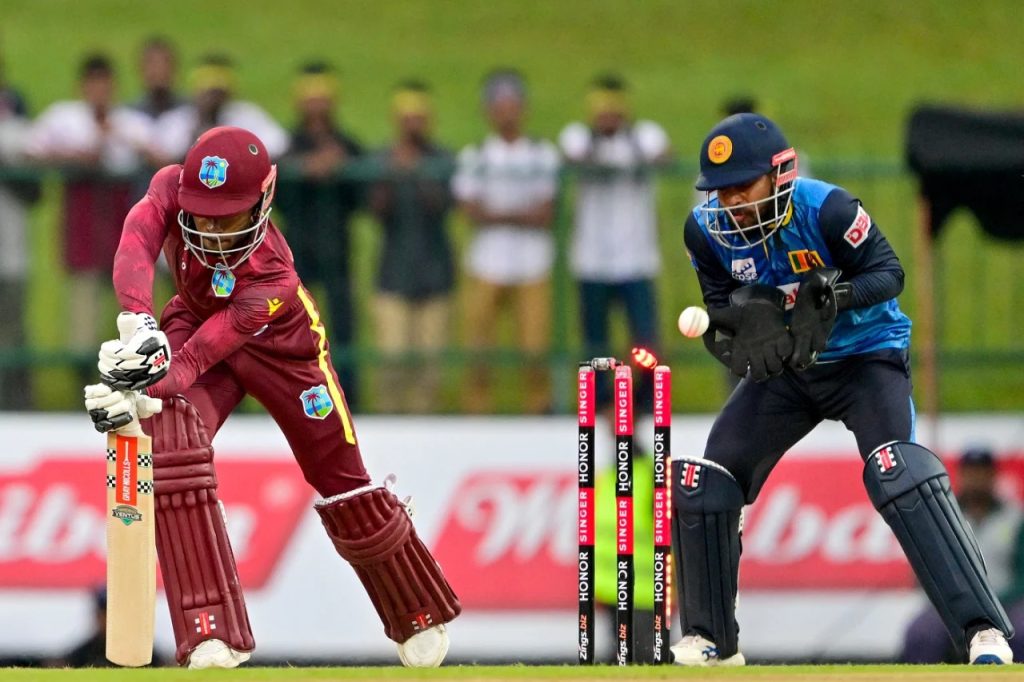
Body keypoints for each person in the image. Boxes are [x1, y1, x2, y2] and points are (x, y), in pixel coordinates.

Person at [82, 126, 460, 669]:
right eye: (201, 211)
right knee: (170, 441)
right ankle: (210, 632)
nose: (210, 229)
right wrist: (137, 323)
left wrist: (141, 381)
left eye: (228, 214)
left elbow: (191, 364)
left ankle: (417, 609)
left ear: (264, 198)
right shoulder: (167, 187)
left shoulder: (273, 280)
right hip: (196, 320)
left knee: (343, 482)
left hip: (282, 350)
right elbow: (136, 241)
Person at [671, 113, 1014, 666]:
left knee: (897, 471)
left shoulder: (829, 209)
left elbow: (890, 274)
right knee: (708, 479)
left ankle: (982, 632)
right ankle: (713, 641)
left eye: (743, 186)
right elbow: (719, 308)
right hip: (790, 369)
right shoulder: (703, 231)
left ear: (780, 175)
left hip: (865, 358)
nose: (731, 202)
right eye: (721, 191)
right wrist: (745, 319)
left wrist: (832, 296)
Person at [24, 53, 154, 371]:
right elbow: (30, 153)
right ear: (83, 86)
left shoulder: (130, 122)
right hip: (83, 221)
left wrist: (119, 139)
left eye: (105, 84)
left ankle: (130, 373)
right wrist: (73, 157)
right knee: (83, 304)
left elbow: (161, 156)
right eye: (94, 84)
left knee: (129, 306)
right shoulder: (64, 118)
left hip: (123, 224)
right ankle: (82, 376)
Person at [558, 73, 671, 412]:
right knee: (596, 341)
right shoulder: (578, 136)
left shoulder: (643, 136)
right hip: (591, 260)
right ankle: (601, 402)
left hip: (636, 259)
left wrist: (632, 154)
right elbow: (572, 158)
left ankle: (648, 399)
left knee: (645, 336)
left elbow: (663, 156)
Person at [451, 69, 560, 414]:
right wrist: (518, 215)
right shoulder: (477, 155)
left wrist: (495, 214)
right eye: (499, 105)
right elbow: (470, 210)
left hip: (532, 265)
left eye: (512, 105)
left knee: (535, 350)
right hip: (487, 264)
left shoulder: (542, 153)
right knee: (477, 350)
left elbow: (545, 213)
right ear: (488, 111)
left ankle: (538, 413)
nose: (507, 112)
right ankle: (477, 415)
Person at [277, 61, 364, 410]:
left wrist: (340, 167)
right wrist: (308, 167)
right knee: (292, 331)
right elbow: (275, 195)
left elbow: (363, 198)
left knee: (342, 329)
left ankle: (349, 402)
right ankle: (290, 400)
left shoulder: (348, 146)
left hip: (337, 249)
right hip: (297, 251)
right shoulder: (288, 148)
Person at [367, 80, 455, 413]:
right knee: (391, 362)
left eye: (419, 117)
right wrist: (393, 173)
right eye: (406, 117)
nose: (413, 124)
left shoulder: (442, 159)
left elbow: (443, 206)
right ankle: (389, 428)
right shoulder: (382, 160)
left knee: (430, 369)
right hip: (393, 274)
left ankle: (425, 430)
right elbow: (375, 209)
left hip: (435, 275)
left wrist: (418, 172)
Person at [901, 447, 1024, 663]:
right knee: (921, 633)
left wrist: (995, 605)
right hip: (952, 607)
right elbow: (926, 571)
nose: (976, 479)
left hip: (1007, 605)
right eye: (971, 472)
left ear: (993, 477)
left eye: (982, 473)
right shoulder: (939, 515)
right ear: (960, 475)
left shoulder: (1015, 517)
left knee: (1022, 632)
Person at [151, 54, 288, 164]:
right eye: (208, 92)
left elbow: (278, 145)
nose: (213, 99)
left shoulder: (247, 115)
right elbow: (164, 155)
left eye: (218, 93)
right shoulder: (177, 119)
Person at [0, 55, 39, 408]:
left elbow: (35, 192)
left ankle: (16, 408)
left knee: (12, 334)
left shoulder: (17, 120)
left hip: (9, 250)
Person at [130, 36, 184, 121]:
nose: (158, 70)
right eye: (152, 64)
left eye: (164, 63)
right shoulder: (130, 116)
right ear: (140, 69)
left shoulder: (189, 114)